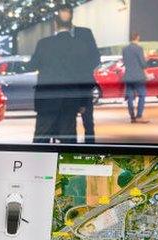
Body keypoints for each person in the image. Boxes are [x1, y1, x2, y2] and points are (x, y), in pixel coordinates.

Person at [28, 15, 90, 143]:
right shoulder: (79, 45)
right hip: (70, 99)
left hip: (47, 98)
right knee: (68, 137)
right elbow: (84, 75)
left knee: (42, 136)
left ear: (55, 25)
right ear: (71, 26)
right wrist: (83, 102)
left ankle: (39, 162)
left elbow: (32, 65)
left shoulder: (44, 43)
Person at [56, 6, 100, 143]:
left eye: (66, 12)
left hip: (84, 83)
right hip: (67, 87)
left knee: (88, 122)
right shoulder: (57, 38)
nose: (64, 15)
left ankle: (91, 152)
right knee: (69, 123)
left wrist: (82, 69)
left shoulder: (85, 33)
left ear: (71, 14)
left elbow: (95, 57)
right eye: (61, 13)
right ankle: (71, 152)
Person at [122, 33, 149, 123]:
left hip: (128, 76)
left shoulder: (124, 49)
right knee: (142, 95)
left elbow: (125, 62)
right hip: (138, 76)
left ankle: (132, 116)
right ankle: (139, 116)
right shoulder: (139, 48)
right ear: (137, 38)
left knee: (129, 96)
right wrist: (146, 60)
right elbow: (142, 63)